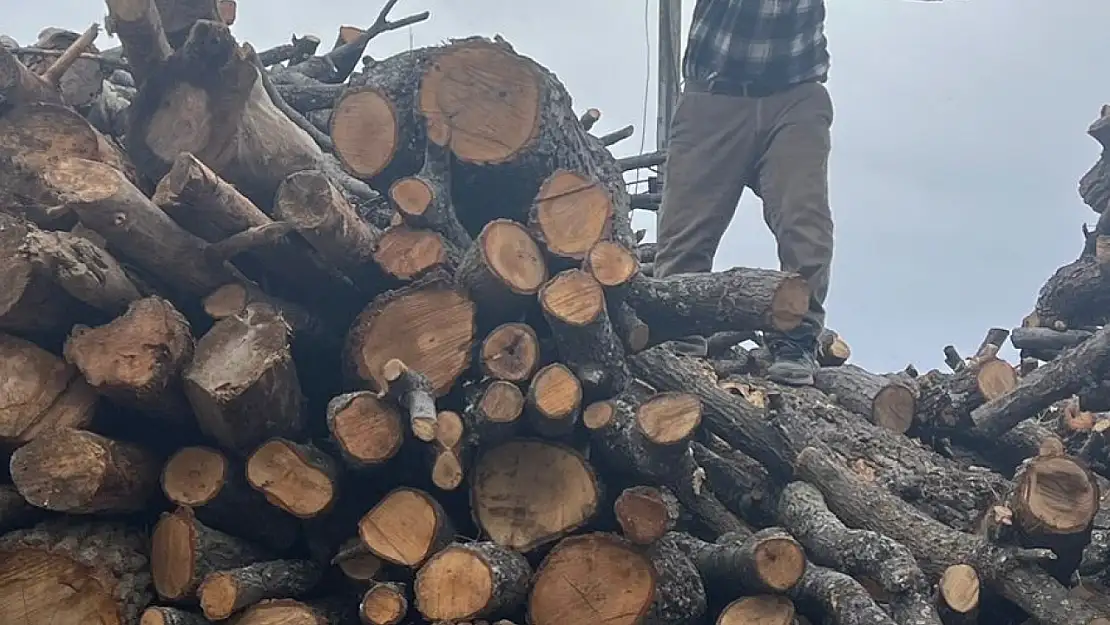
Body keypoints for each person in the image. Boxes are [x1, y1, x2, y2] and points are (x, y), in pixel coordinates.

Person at [653, 0, 836, 387]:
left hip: (796, 97)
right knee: (686, 231)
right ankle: (677, 327)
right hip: (713, 95)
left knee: (804, 218)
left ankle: (796, 337)